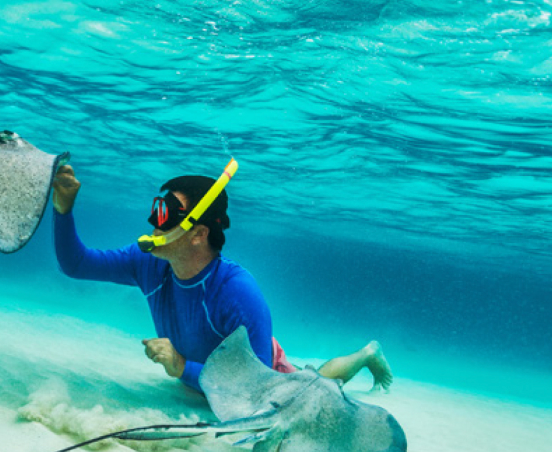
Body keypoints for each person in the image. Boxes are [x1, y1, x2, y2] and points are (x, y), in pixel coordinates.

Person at [50, 163, 392, 393]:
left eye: (166, 214)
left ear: (198, 234)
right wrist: (63, 208)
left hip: (261, 379)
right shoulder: (147, 263)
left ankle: (365, 353)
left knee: (317, 384)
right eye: (157, 209)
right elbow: (76, 264)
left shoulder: (237, 291)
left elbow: (254, 388)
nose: (154, 222)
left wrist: (182, 366)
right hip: (211, 384)